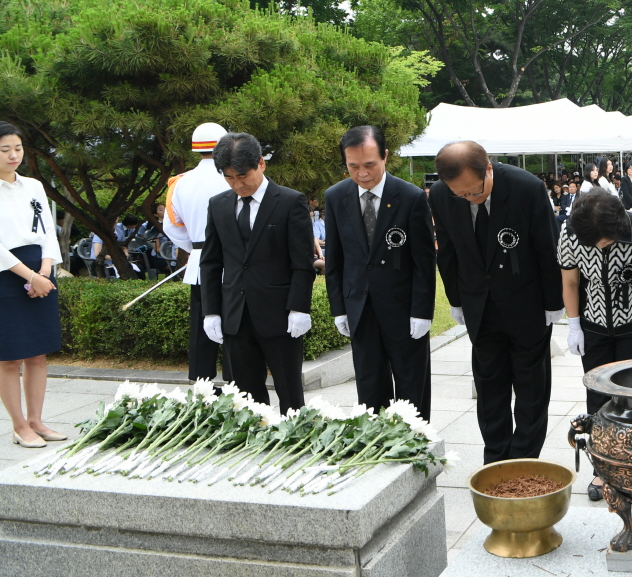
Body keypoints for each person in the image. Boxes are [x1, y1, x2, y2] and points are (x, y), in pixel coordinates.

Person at [430, 141, 564, 463]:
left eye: (475, 192)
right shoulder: (439, 196)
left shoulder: (526, 188)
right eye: (459, 195)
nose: (468, 199)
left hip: (527, 304)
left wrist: (553, 302)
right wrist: (456, 300)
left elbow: (547, 247)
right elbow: (447, 251)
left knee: (531, 389)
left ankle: (524, 459)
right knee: (490, 388)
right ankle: (497, 459)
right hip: (480, 306)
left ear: (488, 168)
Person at [559, 190, 632, 500]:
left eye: (604, 241)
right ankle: (603, 469)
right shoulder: (571, 231)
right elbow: (570, 281)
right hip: (592, 325)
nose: (598, 246)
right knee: (598, 399)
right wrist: (574, 324)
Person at [325, 126, 436, 417]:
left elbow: (424, 262)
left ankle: (417, 443)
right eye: (353, 166)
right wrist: (339, 308)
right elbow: (335, 259)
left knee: (412, 385)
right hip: (360, 308)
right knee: (370, 385)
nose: (362, 173)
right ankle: (378, 444)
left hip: (403, 307)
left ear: (385, 156)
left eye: (369, 164)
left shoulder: (410, 197)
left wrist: (422, 311)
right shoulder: (336, 197)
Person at [200, 133, 315, 415]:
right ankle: (254, 441)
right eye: (229, 178)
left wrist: (299, 307)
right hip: (235, 315)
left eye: (242, 176)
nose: (238, 184)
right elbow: (211, 262)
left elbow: (302, 261)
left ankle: (293, 441)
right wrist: (211, 311)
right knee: (245, 394)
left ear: (261, 164)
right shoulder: (218, 204)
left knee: (289, 390)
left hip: (280, 315)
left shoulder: (290, 201)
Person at [0, 121, 67, 448]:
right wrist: (30, 276)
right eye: (5, 150)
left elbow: (47, 234)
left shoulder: (34, 186)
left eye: (18, 148)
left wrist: (44, 271)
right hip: (7, 274)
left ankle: (36, 420)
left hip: (41, 270)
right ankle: (18, 425)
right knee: (10, 356)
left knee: (38, 353)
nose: (14, 155)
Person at [163, 122, 234, 384]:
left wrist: (195, 248)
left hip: (199, 265)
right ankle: (236, 384)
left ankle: (201, 386)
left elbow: (171, 226)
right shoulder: (233, 177)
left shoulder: (181, 183)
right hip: (234, 264)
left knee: (201, 329)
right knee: (233, 327)